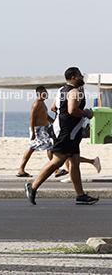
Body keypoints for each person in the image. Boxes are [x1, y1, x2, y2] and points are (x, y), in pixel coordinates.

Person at [25, 67, 99, 205]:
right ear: (73, 78)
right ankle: (33, 187)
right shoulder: (75, 92)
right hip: (67, 132)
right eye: (80, 75)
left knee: (75, 163)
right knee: (57, 161)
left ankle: (81, 195)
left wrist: (62, 115)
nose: (82, 77)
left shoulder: (61, 90)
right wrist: (86, 114)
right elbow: (72, 110)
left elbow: (54, 108)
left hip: (67, 130)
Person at [17, 86, 68, 178]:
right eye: (44, 92)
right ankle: (56, 170)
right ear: (39, 94)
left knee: (31, 148)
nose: (46, 94)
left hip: (41, 129)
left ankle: (21, 169)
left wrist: (56, 122)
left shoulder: (43, 104)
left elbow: (46, 117)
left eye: (46, 92)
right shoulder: (36, 104)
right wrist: (32, 132)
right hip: (38, 130)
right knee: (49, 147)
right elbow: (31, 118)